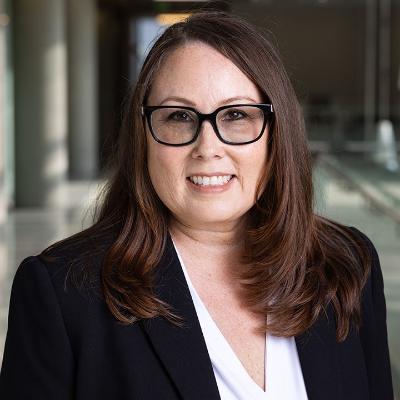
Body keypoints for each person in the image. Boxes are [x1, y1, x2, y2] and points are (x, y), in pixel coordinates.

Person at [0, 9, 394, 400]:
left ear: (277, 134)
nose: (208, 148)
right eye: (179, 116)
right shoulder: (62, 294)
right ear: (144, 138)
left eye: (237, 114)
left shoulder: (348, 266)